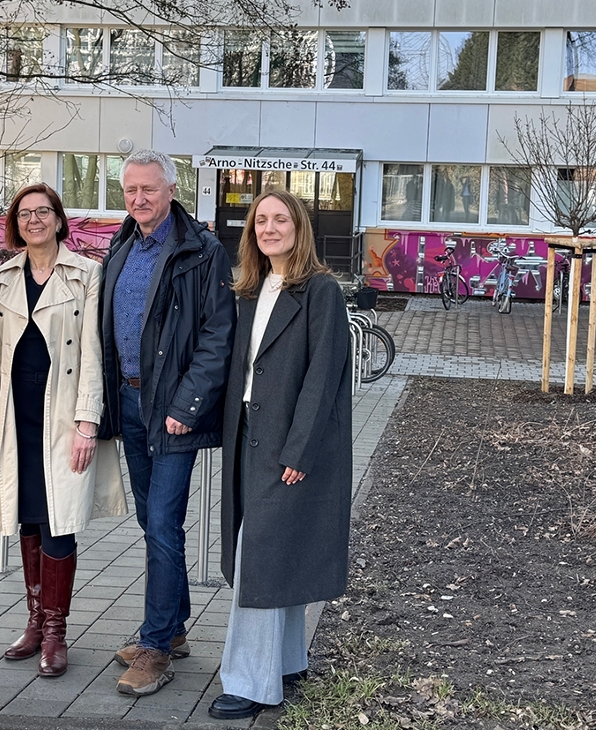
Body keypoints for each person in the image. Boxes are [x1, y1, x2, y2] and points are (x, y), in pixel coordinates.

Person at [208, 189, 352, 719]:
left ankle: (250, 681)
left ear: (299, 228)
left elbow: (324, 377)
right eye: (260, 220)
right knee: (275, 550)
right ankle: (288, 659)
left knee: (260, 558)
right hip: (248, 433)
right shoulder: (250, 288)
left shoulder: (320, 292)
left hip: (287, 442)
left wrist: (301, 449)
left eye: (280, 220)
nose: (269, 228)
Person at [0, 183, 126, 678]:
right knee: (28, 518)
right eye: (24, 214)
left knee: (60, 519)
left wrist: (87, 422)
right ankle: (35, 622)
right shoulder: (2, 278)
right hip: (14, 417)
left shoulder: (87, 275)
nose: (34, 220)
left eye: (44, 212)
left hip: (63, 418)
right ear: (15, 224)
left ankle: (57, 632)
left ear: (59, 221)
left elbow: (92, 353)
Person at [99, 149, 236, 696]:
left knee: (161, 523)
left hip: (173, 411)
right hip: (129, 405)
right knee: (150, 522)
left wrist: (187, 405)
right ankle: (173, 627)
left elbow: (216, 336)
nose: (137, 200)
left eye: (148, 190)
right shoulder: (123, 242)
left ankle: (156, 646)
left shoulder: (202, 252)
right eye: (130, 190)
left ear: (171, 190)